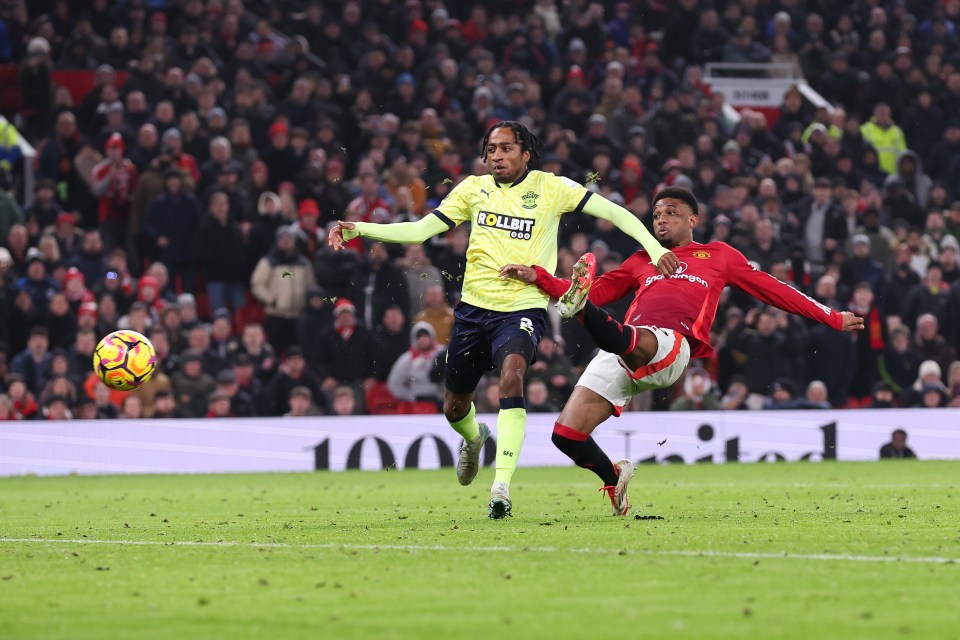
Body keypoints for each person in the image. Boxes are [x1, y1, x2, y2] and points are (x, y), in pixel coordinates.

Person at [328, 120, 679, 519]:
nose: (498, 156)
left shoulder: (550, 187)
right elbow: (421, 230)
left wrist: (653, 247)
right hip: (473, 311)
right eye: (492, 149)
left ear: (525, 153)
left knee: (512, 377)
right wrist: (360, 229)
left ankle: (501, 487)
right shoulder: (472, 189)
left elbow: (614, 212)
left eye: (507, 148)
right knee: (455, 407)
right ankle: (474, 438)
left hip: (524, 307)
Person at [501, 187, 864, 515]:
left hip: (671, 346)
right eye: (656, 214)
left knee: (617, 331)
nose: (661, 219)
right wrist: (539, 277)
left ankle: (583, 315)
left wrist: (830, 316)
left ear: (693, 220)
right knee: (566, 436)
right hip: (624, 345)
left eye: (670, 212)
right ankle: (614, 477)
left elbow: (772, 288)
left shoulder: (719, 255)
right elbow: (592, 290)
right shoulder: (642, 260)